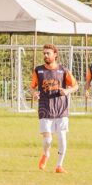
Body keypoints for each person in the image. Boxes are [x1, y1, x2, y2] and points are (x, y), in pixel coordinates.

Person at [31, 44, 79, 173]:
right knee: (48, 140)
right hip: (45, 108)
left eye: (48, 53)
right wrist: (34, 93)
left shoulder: (63, 70)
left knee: (62, 138)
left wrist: (67, 91)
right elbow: (32, 87)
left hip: (61, 109)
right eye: (44, 53)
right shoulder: (38, 70)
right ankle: (46, 154)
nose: (46, 55)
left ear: (55, 54)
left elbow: (75, 86)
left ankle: (59, 166)